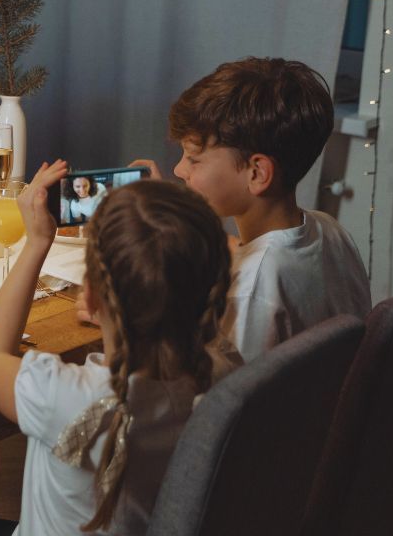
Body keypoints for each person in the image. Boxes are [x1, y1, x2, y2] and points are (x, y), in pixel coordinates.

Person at [0, 161, 233, 535]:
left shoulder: (65, 396)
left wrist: (36, 243)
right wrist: (167, 212)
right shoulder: (220, 374)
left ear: (91, 295)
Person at [133, 57, 371, 363]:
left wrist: (132, 324)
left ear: (257, 174)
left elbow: (225, 401)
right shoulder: (329, 230)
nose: (179, 170)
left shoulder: (252, 291)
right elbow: (248, 251)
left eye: (193, 158)